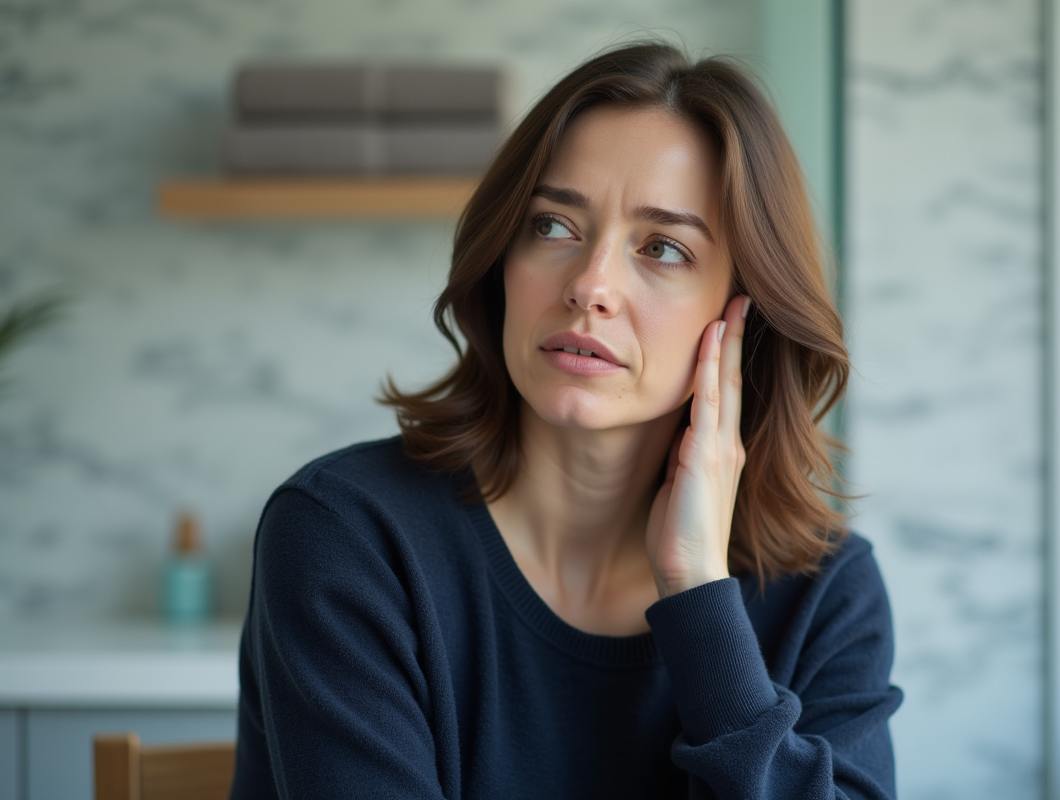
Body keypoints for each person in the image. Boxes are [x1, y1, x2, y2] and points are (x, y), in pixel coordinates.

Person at [230, 41, 902, 800]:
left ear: (747, 314)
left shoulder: (827, 593)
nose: (590, 285)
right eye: (552, 226)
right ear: (501, 261)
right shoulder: (347, 535)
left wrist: (697, 593)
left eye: (663, 248)